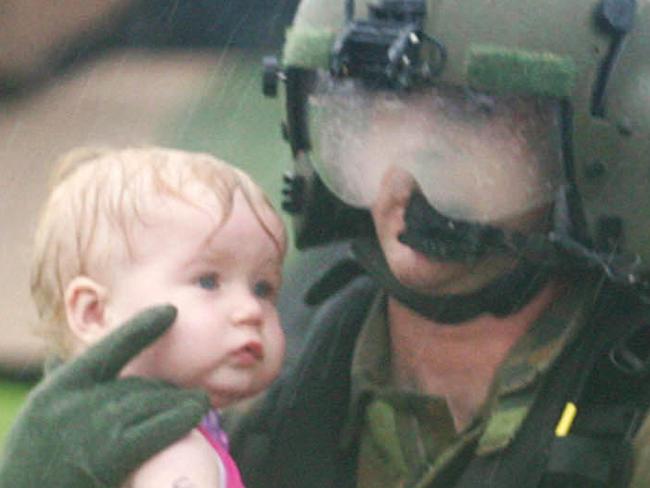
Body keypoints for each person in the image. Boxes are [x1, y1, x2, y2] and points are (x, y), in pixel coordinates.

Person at [2, 0, 650, 487]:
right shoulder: (264, 355)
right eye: (367, 117)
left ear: (586, 145)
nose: (401, 179)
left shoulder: (625, 402)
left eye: (467, 118)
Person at [5, 146, 287, 487]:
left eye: (263, 288)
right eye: (208, 281)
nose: (251, 310)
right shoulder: (172, 455)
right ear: (94, 313)